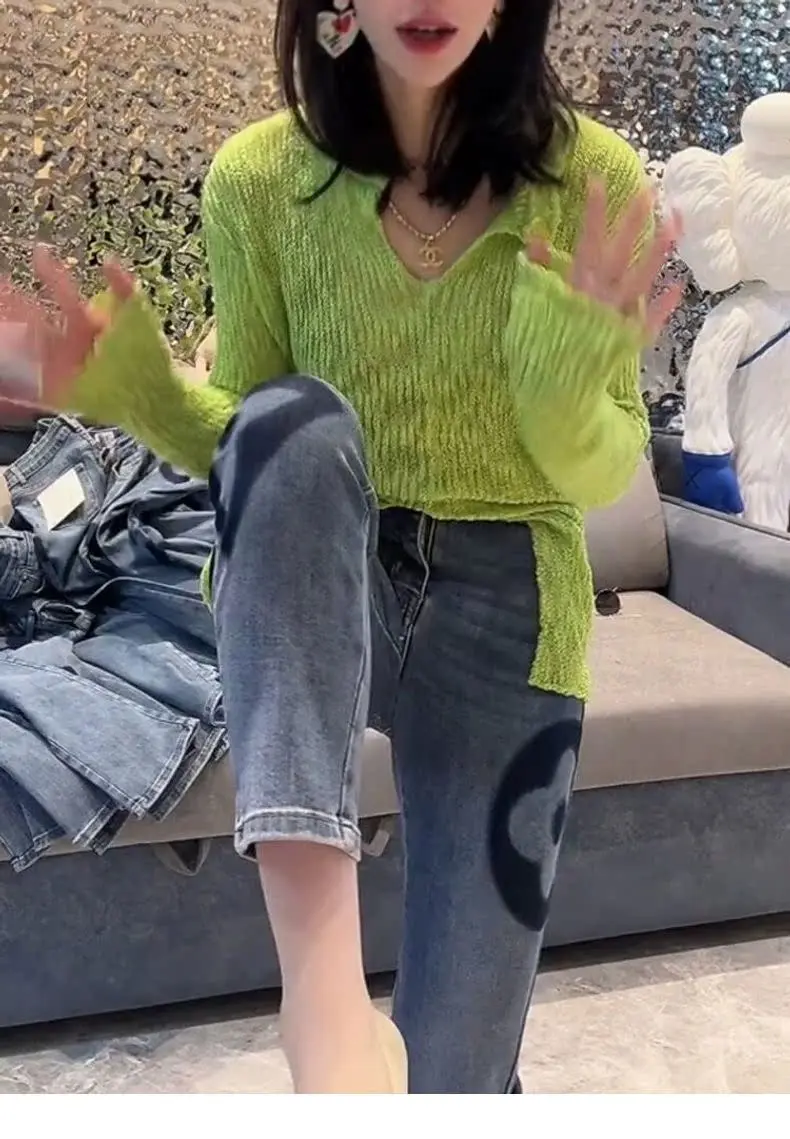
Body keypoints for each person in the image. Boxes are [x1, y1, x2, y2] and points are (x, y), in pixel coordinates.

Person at [0, 0, 681, 1095]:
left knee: (455, 1079)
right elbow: (252, 443)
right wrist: (140, 395)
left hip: (512, 600)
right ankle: (317, 995)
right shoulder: (260, 179)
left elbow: (605, 469)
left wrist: (563, 384)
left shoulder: (590, 180)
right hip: (321, 569)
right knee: (295, 421)